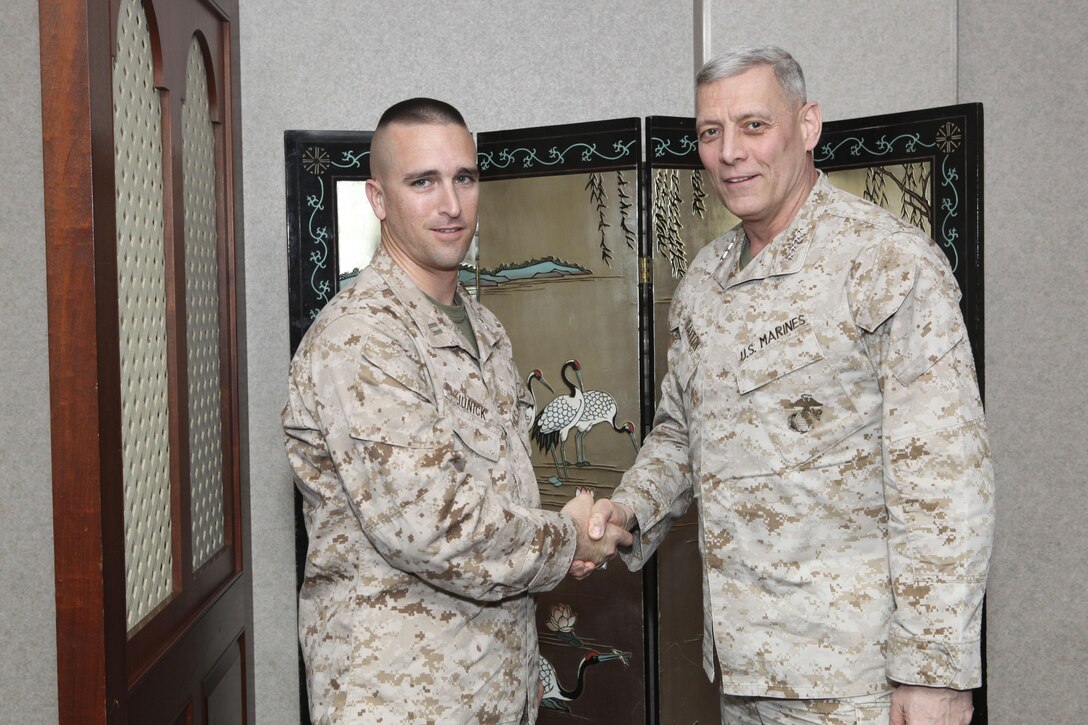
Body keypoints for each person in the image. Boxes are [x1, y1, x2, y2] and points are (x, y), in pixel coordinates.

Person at [580, 47, 994, 725]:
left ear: (807, 125)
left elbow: (946, 478)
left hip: (860, 677)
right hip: (745, 672)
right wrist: (626, 513)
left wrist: (936, 669)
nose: (730, 153)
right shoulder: (704, 283)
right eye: (711, 133)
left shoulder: (885, 263)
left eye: (753, 126)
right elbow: (681, 435)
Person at [282, 97, 630, 724]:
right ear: (378, 197)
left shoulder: (484, 330)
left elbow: (496, 494)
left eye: (464, 178)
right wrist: (566, 538)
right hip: (403, 699)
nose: (451, 204)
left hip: (496, 686)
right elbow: (434, 528)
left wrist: (561, 538)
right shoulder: (362, 340)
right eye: (423, 182)